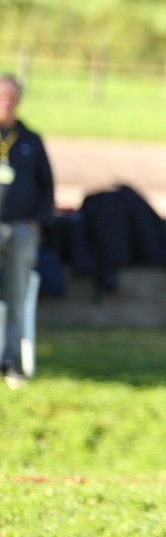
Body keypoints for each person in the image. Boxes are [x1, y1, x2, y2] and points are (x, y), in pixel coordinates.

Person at [0, 74, 55, 387]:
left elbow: (48, 188)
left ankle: (11, 360)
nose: (6, 103)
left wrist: (35, 219)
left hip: (20, 228)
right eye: (1, 97)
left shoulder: (30, 141)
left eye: (11, 97)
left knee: (17, 295)